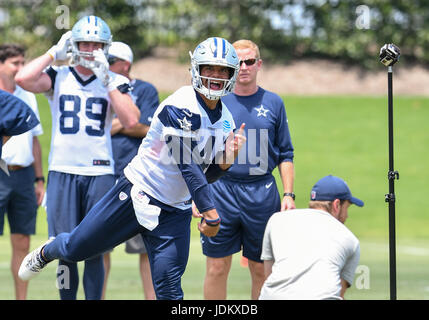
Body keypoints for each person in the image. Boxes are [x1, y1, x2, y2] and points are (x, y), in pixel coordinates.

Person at [18, 37, 247, 300]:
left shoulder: (226, 120)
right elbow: (186, 163)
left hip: (174, 210)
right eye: (209, 68)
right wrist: (210, 211)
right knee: (76, 249)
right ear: (197, 69)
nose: (215, 76)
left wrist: (224, 162)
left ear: (232, 74)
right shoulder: (182, 103)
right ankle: (48, 251)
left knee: (170, 291)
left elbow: (206, 173)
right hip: (137, 194)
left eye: (222, 70)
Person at [15, 16, 140, 300]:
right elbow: (22, 78)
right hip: (63, 170)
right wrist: (51, 54)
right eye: (85, 42)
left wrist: (106, 77)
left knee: (94, 246)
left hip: (99, 172)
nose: (90, 48)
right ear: (74, 44)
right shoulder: (59, 76)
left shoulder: (115, 80)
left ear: (105, 47)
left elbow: (131, 119)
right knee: (64, 247)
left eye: (96, 44)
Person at [194, 39, 295, 300]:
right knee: (216, 267)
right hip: (220, 190)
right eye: (238, 62)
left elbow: (286, 153)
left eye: (249, 61)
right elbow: (196, 153)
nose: (244, 67)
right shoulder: (213, 100)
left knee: (261, 269)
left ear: (259, 64)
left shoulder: (273, 102)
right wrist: (196, 195)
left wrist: (288, 194)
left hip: (261, 192)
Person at [102, 41, 159, 300]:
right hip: (104, 173)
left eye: (111, 60)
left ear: (125, 64)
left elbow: (147, 128)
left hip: (138, 176)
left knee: (145, 246)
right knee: (99, 244)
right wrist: (123, 122)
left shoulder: (145, 90)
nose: (106, 64)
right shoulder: (98, 85)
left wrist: (116, 124)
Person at [259, 175, 363, 300]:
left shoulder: (276, 220)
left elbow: (269, 275)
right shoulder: (349, 239)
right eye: (346, 208)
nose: (346, 216)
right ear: (336, 205)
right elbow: (339, 293)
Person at [0, 44, 45, 300]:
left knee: (23, 242)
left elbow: (35, 139)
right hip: (0, 174)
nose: (19, 68)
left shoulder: (27, 94)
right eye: (14, 63)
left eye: (22, 63)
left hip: (24, 175)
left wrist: (39, 179)